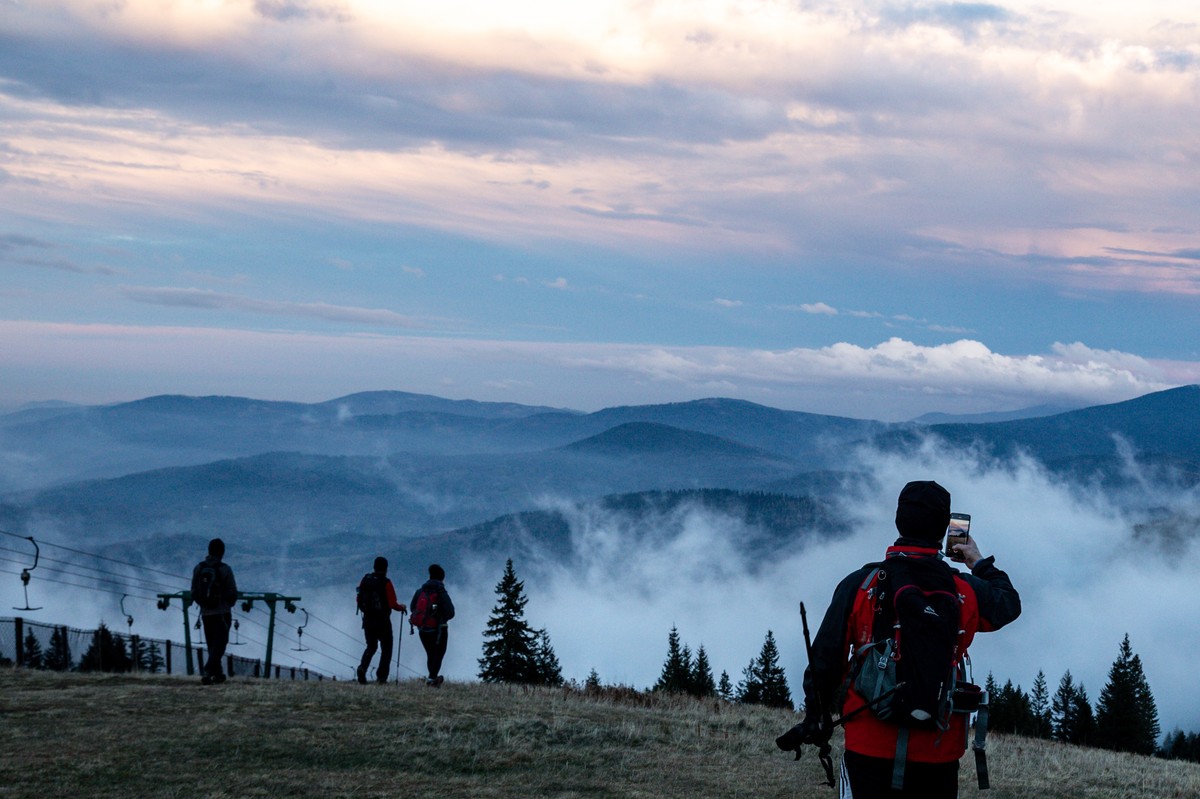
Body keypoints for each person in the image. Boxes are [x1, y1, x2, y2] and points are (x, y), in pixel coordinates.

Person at [782, 480, 1021, 798]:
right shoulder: (964, 592)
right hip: (939, 750)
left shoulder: (861, 585)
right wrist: (977, 562)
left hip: (868, 746)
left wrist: (816, 717)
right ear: (943, 530)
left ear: (899, 520)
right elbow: (1008, 605)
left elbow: (825, 660)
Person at [190, 537, 239, 685]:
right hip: (222, 613)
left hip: (205, 613)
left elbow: (193, 591)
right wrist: (227, 604)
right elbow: (232, 592)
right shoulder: (225, 569)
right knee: (220, 643)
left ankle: (217, 675)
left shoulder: (198, 568)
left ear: (209, 551)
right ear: (222, 552)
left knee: (212, 644)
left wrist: (204, 603)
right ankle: (208, 670)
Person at [356, 556, 407, 684]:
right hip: (382, 621)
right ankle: (381, 677)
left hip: (367, 619)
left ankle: (362, 668)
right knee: (386, 648)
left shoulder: (365, 580)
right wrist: (402, 607)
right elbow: (392, 603)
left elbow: (358, 599)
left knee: (371, 646)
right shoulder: (386, 583)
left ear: (374, 566)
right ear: (386, 568)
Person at [411, 563, 455, 687]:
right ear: (442, 578)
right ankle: (431, 679)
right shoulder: (441, 592)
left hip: (422, 629)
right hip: (438, 629)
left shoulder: (420, 591)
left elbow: (412, 607)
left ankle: (433, 678)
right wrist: (441, 616)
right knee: (439, 653)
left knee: (430, 653)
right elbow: (451, 612)